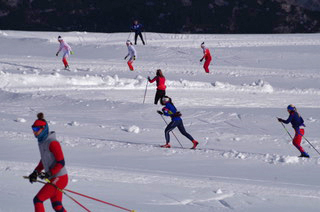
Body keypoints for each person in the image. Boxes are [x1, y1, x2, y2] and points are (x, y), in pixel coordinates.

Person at [28, 113, 68, 212]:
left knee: (38, 200)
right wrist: (35, 172)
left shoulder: (53, 143)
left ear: (44, 128)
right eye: (33, 129)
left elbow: (61, 162)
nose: (34, 132)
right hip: (53, 177)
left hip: (60, 178)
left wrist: (49, 173)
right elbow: (43, 161)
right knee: (57, 206)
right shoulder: (42, 142)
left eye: (36, 129)